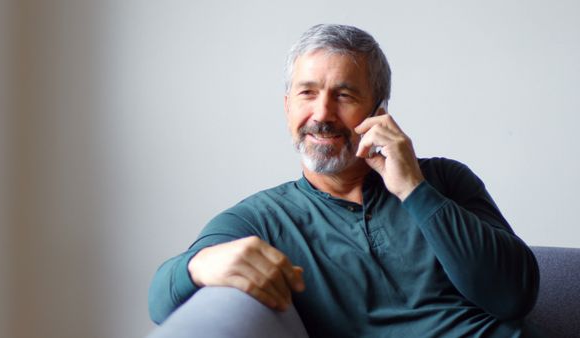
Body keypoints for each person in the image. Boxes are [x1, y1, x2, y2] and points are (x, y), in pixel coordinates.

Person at [149, 24, 540, 337]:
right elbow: (160, 302)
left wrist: (413, 189)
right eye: (307, 93)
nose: (322, 113)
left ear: (379, 112)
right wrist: (198, 266)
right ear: (287, 108)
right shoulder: (262, 220)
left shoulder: (444, 179)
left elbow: (514, 295)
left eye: (344, 95)